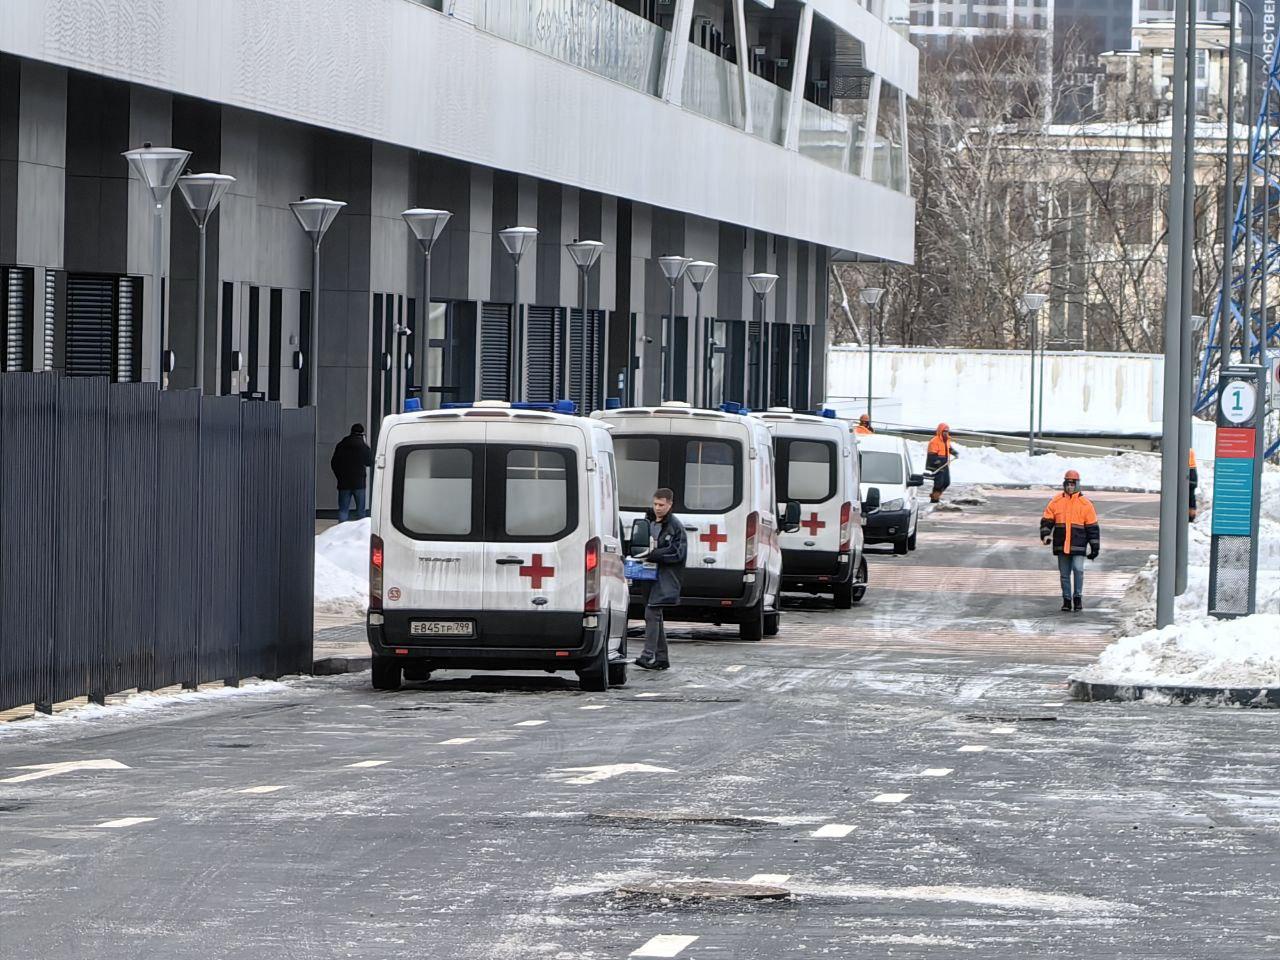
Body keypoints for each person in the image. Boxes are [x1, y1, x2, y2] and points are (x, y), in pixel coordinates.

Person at [635, 488, 687, 671]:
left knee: (652, 613)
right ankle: (662, 658)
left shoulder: (675, 526)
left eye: (661, 505)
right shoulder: (647, 521)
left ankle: (647, 655)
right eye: (655, 504)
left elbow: (678, 553)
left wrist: (655, 554)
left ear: (670, 505)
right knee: (655, 616)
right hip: (648, 574)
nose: (657, 508)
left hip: (666, 576)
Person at [1040, 469, 1101, 612]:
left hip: (1078, 544)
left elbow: (1092, 527)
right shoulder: (1056, 501)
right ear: (1064, 484)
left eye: (1072, 484)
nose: (1070, 487)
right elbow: (1047, 520)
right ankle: (1067, 600)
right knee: (1064, 574)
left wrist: (1094, 546)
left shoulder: (1086, 504)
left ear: (1077, 485)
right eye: (1067, 484)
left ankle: (1077, 597)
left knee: (1078, 569)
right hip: (1061, 544)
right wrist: (1046, 534)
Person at [331, 424, 373, 522]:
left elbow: (334, 463)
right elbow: (369, 462)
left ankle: (341, 531)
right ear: (362, 434)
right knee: (361, 512)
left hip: (344, 482)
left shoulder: (341, 445)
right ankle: (360, 534)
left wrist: (339, 476)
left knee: (343, 511)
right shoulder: (363, 446)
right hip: (359, 482)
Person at [925, 422, 958, 504]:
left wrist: (954, 452)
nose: (946, 433)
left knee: (947, 482)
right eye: (944, 431)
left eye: (947, 431)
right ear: (940, 431)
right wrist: (938, 461)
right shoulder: (934, 441)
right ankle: (934, 500)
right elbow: (931, 455)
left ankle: (935, 495)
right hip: (936, 466)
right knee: (939, 483)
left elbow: (949, 448)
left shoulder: (947, 440)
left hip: (945, 465)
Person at [1188, 448, 1198, 522]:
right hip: (1192, 472)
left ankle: (1191, 515)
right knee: (1191, 496)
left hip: (1190, 471)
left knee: (1191, 496)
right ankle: (1191, 515)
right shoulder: (1190, 450)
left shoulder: (1187, 450)